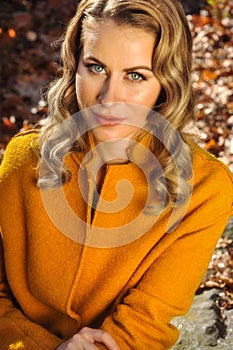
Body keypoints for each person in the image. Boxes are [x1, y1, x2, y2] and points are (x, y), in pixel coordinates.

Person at [0, 0, 232, 349]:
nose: (110, 97)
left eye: (136, 75)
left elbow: (144, 324)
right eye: (95, 68)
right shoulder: (23, 162)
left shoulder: (205, 189)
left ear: (166, 83)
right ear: (73, 66)